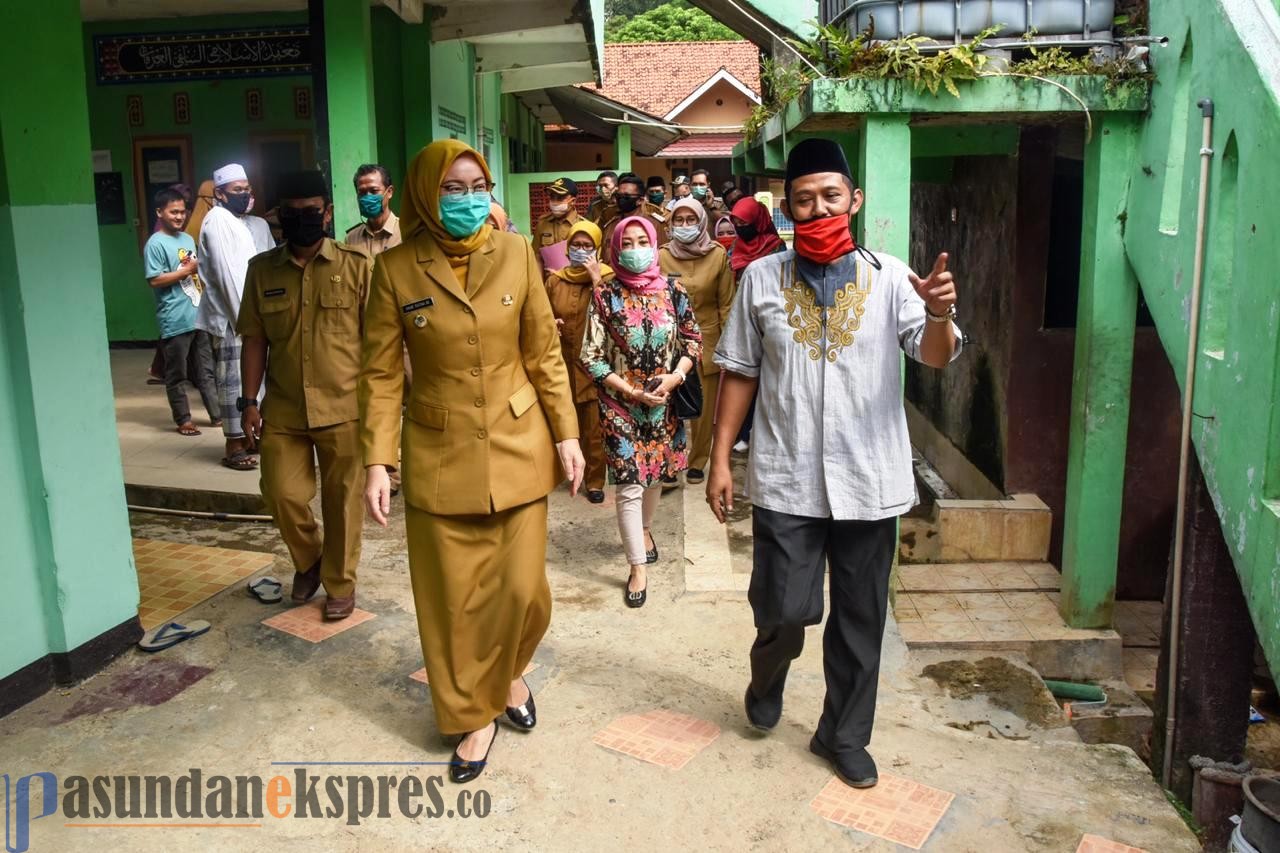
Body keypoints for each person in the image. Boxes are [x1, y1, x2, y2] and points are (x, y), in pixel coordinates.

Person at [706, 138, 962, 789]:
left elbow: (933, 354)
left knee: (859, 619)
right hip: (786, 477)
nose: (818, 209)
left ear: (855, 199)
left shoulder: (891, 279)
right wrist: (719, 459)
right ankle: (768, 674)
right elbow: (738, 371)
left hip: (869, 481)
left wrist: (938, 312)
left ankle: (841, 733)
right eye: (803, 200)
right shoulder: (761, 279)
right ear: (786, 209)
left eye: (830, 196)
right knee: (784, 609)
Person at [360, 140, 584, 784]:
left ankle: (510, 670)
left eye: (477, 185)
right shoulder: (397, 269)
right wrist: (379, 460)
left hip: (518, 444)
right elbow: (379, 375)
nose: (467, 199)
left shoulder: (514, 253)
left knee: (523, 593)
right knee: (451, 602)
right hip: (437, 452)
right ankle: (471, 714)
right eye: (452, 188)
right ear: (428, 194)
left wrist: (567, 434)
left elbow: (543, 352)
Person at [237, 170, 373, 621]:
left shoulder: (357, 267)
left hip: (346, 409)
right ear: (279, 218)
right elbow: (254, 340)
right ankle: (310, 560)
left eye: (311, 212)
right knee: (280, 492)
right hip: (284, 410)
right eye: (292, 214)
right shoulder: (262, 272)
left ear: (328, 213)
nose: (303, 220)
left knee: (343, 505)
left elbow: (379, 343)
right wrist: (249, 401)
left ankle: (339, 583)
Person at [580, 216, 701, 608]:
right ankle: (637, 566)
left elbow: (693, 341)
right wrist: (630, 390)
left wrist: (675, 378)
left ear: (653, 243)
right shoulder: (605, 295)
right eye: (626, 243)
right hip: (621, 405)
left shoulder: (674, 290)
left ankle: (646, 530)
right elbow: (590, 356)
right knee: (630, 484)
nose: (634, 250)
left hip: (664, 405)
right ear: (615, 249)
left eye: (640, 241)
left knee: (655, 478)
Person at [659, 198, 733, 486]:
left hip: (707, 338)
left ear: (702, 222)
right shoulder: (661, 255)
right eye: (679, 220)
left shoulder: (717, 255)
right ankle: (667, 460)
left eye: (691, 220)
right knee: (667, 403)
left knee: (703, 407)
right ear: (671, 223)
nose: (685, 226)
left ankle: (698, 460)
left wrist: (729, 348)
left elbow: (726, 303)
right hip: (669, 340)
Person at [196, 163, 265, 471]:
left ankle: (251, 436)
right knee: (233, 383)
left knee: (253, 382)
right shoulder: (217, 221)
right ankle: (234, 444)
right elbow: (227, 276)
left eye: (247, 189)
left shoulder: (244, 222)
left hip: (250, 317)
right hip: (232, 320)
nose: (244, 194)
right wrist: (244, 321)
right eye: (237, 190)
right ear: (220, 194)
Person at [544, 220, 613, 505]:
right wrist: (552, 323)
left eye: (587, 246)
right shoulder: (555, 279)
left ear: (597, 249)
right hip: (560, 359)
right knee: (560, 419)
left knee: (592, 426)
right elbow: (541, 314)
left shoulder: (608, 278)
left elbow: (614, 317)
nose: (581, 251)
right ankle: (565, 472)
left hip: (592, 362)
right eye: (576, 245)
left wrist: (596, 278)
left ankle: (595, 480)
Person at [144, 187, 220, 436]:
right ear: (160, 212)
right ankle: (184, 420)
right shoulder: (155, 244)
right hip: (175, 320)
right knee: (177, 375)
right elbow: (154, 280)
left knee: (206, 372)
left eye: (182, 212)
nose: (179, 216)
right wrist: (187, 271)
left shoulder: (187, 239)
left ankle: (217, 416)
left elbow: (195, 271)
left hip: (198, 316)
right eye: (173, 212)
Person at [725, 196, 788, 453]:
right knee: (741, 376)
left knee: (768, 380)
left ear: (757, 220)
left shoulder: (777, 248)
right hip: (740, 317)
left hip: (769, 321)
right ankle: (742, 432)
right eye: (736, 221)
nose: (740, 226)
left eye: (744, 221)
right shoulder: (736, 246)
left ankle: (761, 433)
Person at [600, 173, 668, 266]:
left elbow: (664, 259)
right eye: (618, 196)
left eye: (626, 196)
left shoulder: (655, 224)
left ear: (640, 200)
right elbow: (604, 259)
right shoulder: (611, 225)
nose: (621, 199)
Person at [344, 164, 401, 256]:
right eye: (362, 192)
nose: (368, 196)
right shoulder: (351, 238)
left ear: (389, 192)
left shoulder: (404, 232)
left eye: (374, 191)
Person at [533, 177, 581, 249]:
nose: (555, 202)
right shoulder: (542, 223)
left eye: (560, 198)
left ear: (573, 201)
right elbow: (535, 253)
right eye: (552, 197)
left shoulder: (582, 225)